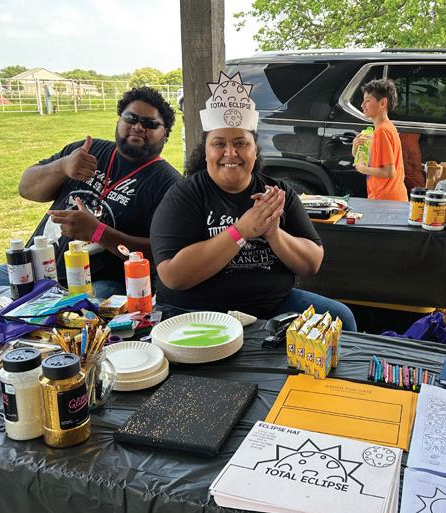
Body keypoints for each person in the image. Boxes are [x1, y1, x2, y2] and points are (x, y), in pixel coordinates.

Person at [150, 72, 357, 331]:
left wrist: (273, 233)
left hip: (274, 307)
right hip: (199, 312)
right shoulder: (184, 196)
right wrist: (241, 231)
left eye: (241, 143)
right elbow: (173, 275)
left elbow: (312, 262)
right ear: (206, 152)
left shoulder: (277, 192)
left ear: (255, 150)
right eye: (219, 144)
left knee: (341, 318)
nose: (230, 153)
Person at [0, 86, 182, 299]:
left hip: (102, 283)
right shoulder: (87, 151)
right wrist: (62, 166)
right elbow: (26, 189)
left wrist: (99, 232)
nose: (138, 127)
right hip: (34, 266)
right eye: (131, 118)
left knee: (83, 314)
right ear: (118, 121)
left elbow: (163, 255)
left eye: (150, 123)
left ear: (166, 133)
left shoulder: (169, 185)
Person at [352, 79, 408, 202]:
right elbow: (370, 161)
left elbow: (389, 172)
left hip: (386, 201)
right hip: (387, 199)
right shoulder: (385, 128)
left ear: (383, 103)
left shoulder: (382, 131)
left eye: (368, 101)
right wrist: (355, 148)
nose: (362, 105)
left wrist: (361, 169)